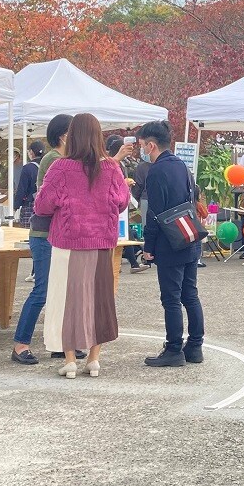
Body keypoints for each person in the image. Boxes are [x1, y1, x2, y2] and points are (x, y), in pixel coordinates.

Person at [33, 113, 130, 380]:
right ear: (98, 136)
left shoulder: (61, 168)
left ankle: (70, 361)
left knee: (66, 301)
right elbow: (121, 201)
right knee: (98, 299)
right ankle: (94, 360)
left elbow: (42, 206)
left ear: (71, 135)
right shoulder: (111, 167)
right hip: (102, 242)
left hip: (68, 242)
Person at [137, 120, 205, 368]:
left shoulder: (155, 171)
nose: (141, 151)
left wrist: (148, 247)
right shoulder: (182, 166)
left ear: (151, 145)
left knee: (171, 298)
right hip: (189, 237)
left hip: (169, 242)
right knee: (190, 295)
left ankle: (174, 348)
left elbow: (154, 214)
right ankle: (195, 346)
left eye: (142, 146)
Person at [12, 114, 72, 363]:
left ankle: (59, 344)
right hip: (44, 234)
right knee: (43, 290)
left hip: (57, 234)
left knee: (60, 291)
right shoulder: (54, 159)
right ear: (64, 136)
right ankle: (20, 345)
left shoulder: (63, 159)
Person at [106, 134, 146, 273]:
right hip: (114, 205)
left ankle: (123, 263)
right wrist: (124, 183)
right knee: (125, 234)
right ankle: (131, 263)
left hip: (121, 204)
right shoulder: (110, 163)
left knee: (126, 234)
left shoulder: (122, 163)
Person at [14, 141, 44, 228]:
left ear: (31, 152)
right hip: (44, 204)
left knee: (26, 232)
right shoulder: (48, 165)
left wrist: (15, 206)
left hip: (29, 204)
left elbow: (22, 189)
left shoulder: (28, 168)